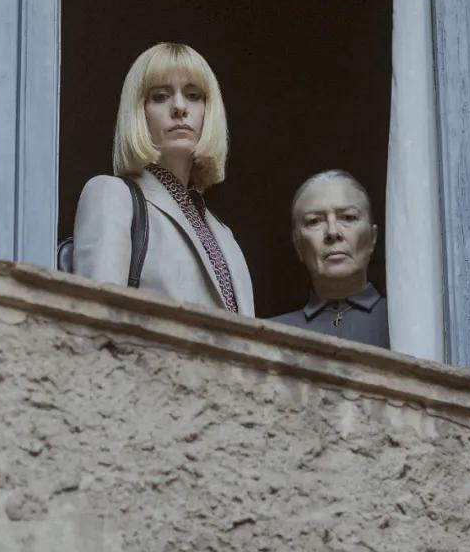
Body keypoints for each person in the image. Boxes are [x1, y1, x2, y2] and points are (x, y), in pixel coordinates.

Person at [72, 42, 255, 318]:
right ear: (139, 111)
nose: (180, 107)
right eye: (160, 97)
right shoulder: (111, 195)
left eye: (193, 96)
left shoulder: (224, 234)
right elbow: (97, 321)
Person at [272, 170, 390, 348]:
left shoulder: (411, 321)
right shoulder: (271, 335)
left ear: (373, 238)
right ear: (298, 246)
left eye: (348, 217)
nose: (333, 232)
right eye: (314, 221)